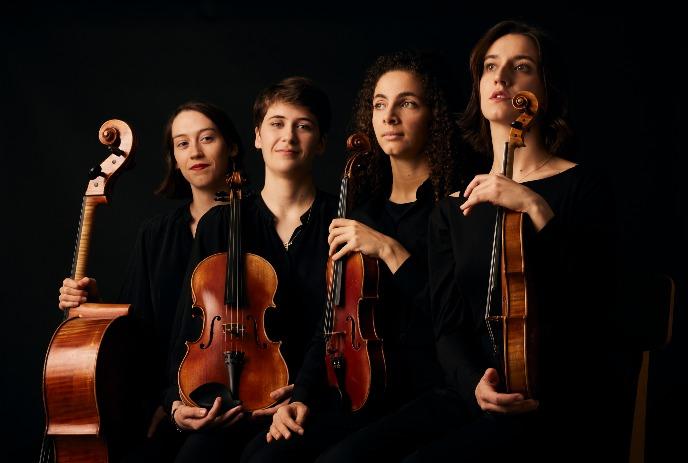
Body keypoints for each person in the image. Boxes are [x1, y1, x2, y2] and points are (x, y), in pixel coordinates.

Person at [416, 20, 631, 461]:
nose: (501, 77)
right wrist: (472, 381)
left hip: (555, 399)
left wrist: (534, 206)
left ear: (544, 90)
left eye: (522, 66)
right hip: (472, 394)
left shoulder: (583, 185)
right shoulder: (452, 209)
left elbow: (596, 298)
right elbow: (448, 327)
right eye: (491, 66)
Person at [244, 50, 463, 463]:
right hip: (360, 386)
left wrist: (391, 251)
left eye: (407, 103)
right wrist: (303, 396)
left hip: (426, 388)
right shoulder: (363, 211)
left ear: (433, 116)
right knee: (261, 457)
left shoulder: (451, 208)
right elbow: (333, 320)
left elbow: (453, 317)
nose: (390, 116)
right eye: (380, 104)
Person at [57, 101, 245, 461]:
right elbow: (138, 331)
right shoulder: (155, 234)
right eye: (183, 143)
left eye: (207, 138)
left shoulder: (255, 225)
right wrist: (93, 304)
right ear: (174, 158)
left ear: (232, 146)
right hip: (165, 405)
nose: (196, 152)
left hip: (231, 401)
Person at [164, 76, 338, 462]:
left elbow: (336, 324)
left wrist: (305, 393)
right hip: (233, 400)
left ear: (321, 142)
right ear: (257, 136)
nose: (288, 137)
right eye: (276, 124)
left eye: (303, 126)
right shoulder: (218, 224)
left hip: (313, 399)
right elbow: (187, 326)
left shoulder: (341, 221)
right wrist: (175, 404)